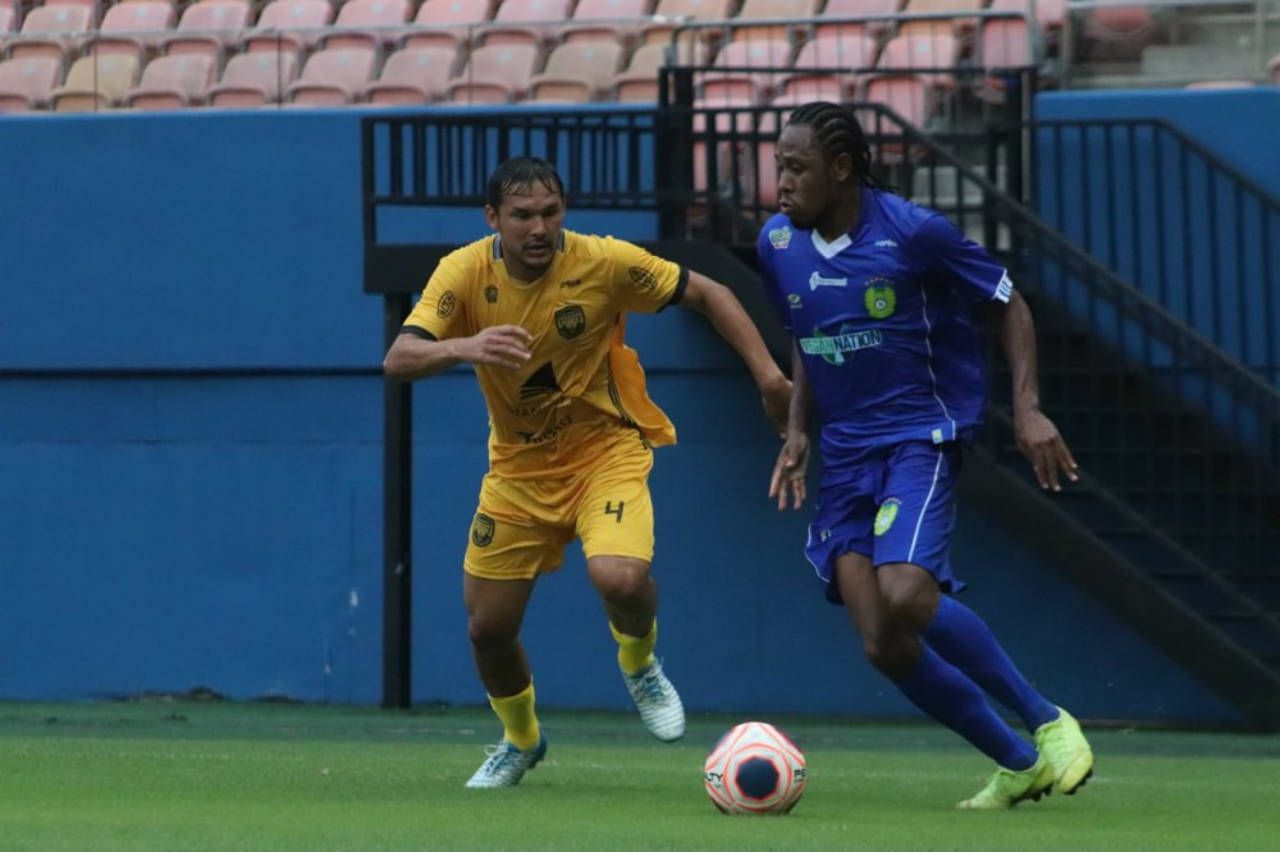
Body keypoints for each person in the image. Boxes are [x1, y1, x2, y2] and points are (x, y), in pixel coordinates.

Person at [384, 156, 791, 789]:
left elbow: (711, 292)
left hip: (605, 451)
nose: (539, 228)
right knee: (488, 629)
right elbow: (399, 357)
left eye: (550, 212)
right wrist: (466, 346)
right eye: (522, 216)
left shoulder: (602, 262)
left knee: (620, 580)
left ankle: (640, 663)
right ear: (493, 219)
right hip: (518, 472)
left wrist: (768, 377)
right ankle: (520, 741)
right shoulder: (463, 272)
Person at [758, 102, 1094, 810]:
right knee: (880, 640)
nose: (780, 182)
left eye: (796, 167)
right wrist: (798, 427)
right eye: (777, 166)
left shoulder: (914, 232)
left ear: (842, 169)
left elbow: (1009, 303)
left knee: (906, 593)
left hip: (919, 433)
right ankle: (1018, 762)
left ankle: (1049, 720)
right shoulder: (778, 243)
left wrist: (1027, 407)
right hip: (845, 452)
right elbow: (807, 333)